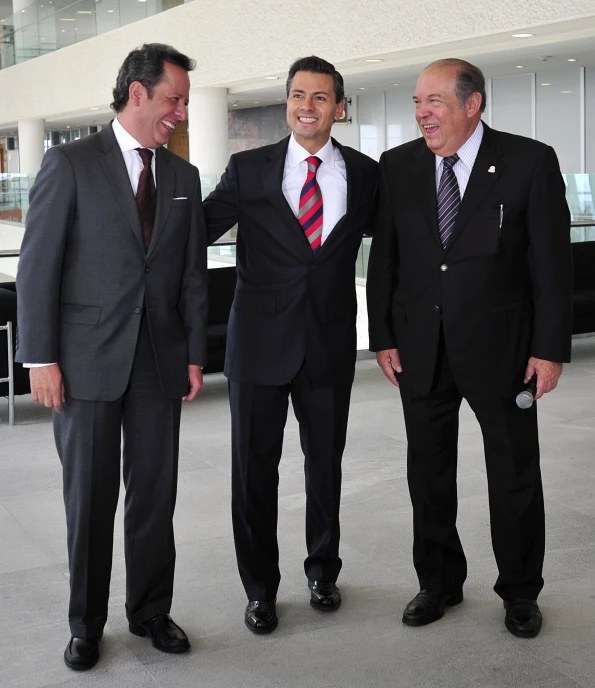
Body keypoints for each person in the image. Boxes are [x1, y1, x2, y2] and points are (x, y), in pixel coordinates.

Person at [16, 43, 208, 670]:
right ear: (137, 93)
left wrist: (193, 353)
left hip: (159, 362)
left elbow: (190, 277)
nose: (181, 110)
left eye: (183, 99)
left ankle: (151, 611)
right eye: (174, 98)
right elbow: (38, 268)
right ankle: (86, 624)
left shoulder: (183, 177)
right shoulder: (69, 163)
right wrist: (39, 356)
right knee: (90, 500)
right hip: (83, 362)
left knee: (155, 495)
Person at [366, 58, 572, 638]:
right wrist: (382, 334)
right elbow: (387, 258)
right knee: (427, 474)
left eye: (433, 101)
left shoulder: (529, 160)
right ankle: (438, 582)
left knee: (513, 474)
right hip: (420, 348)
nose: (421, 114)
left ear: (472, 104)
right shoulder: (398, 165)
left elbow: (551, 267)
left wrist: (549, 348)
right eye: (417, 103)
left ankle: (521, 592)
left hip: (503, 351)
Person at [203, 56, 377, 634]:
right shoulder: (248, 169)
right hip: (256, 348)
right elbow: (192, 234)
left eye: (321, 97)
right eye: (298, 95)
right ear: (286, 103)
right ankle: (260, 588)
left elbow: (403, 252)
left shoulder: (366, 173)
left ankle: (322, 571)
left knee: (325, 467)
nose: (308, 106)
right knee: (254, 474)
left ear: (339, 107)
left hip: (329, 345)